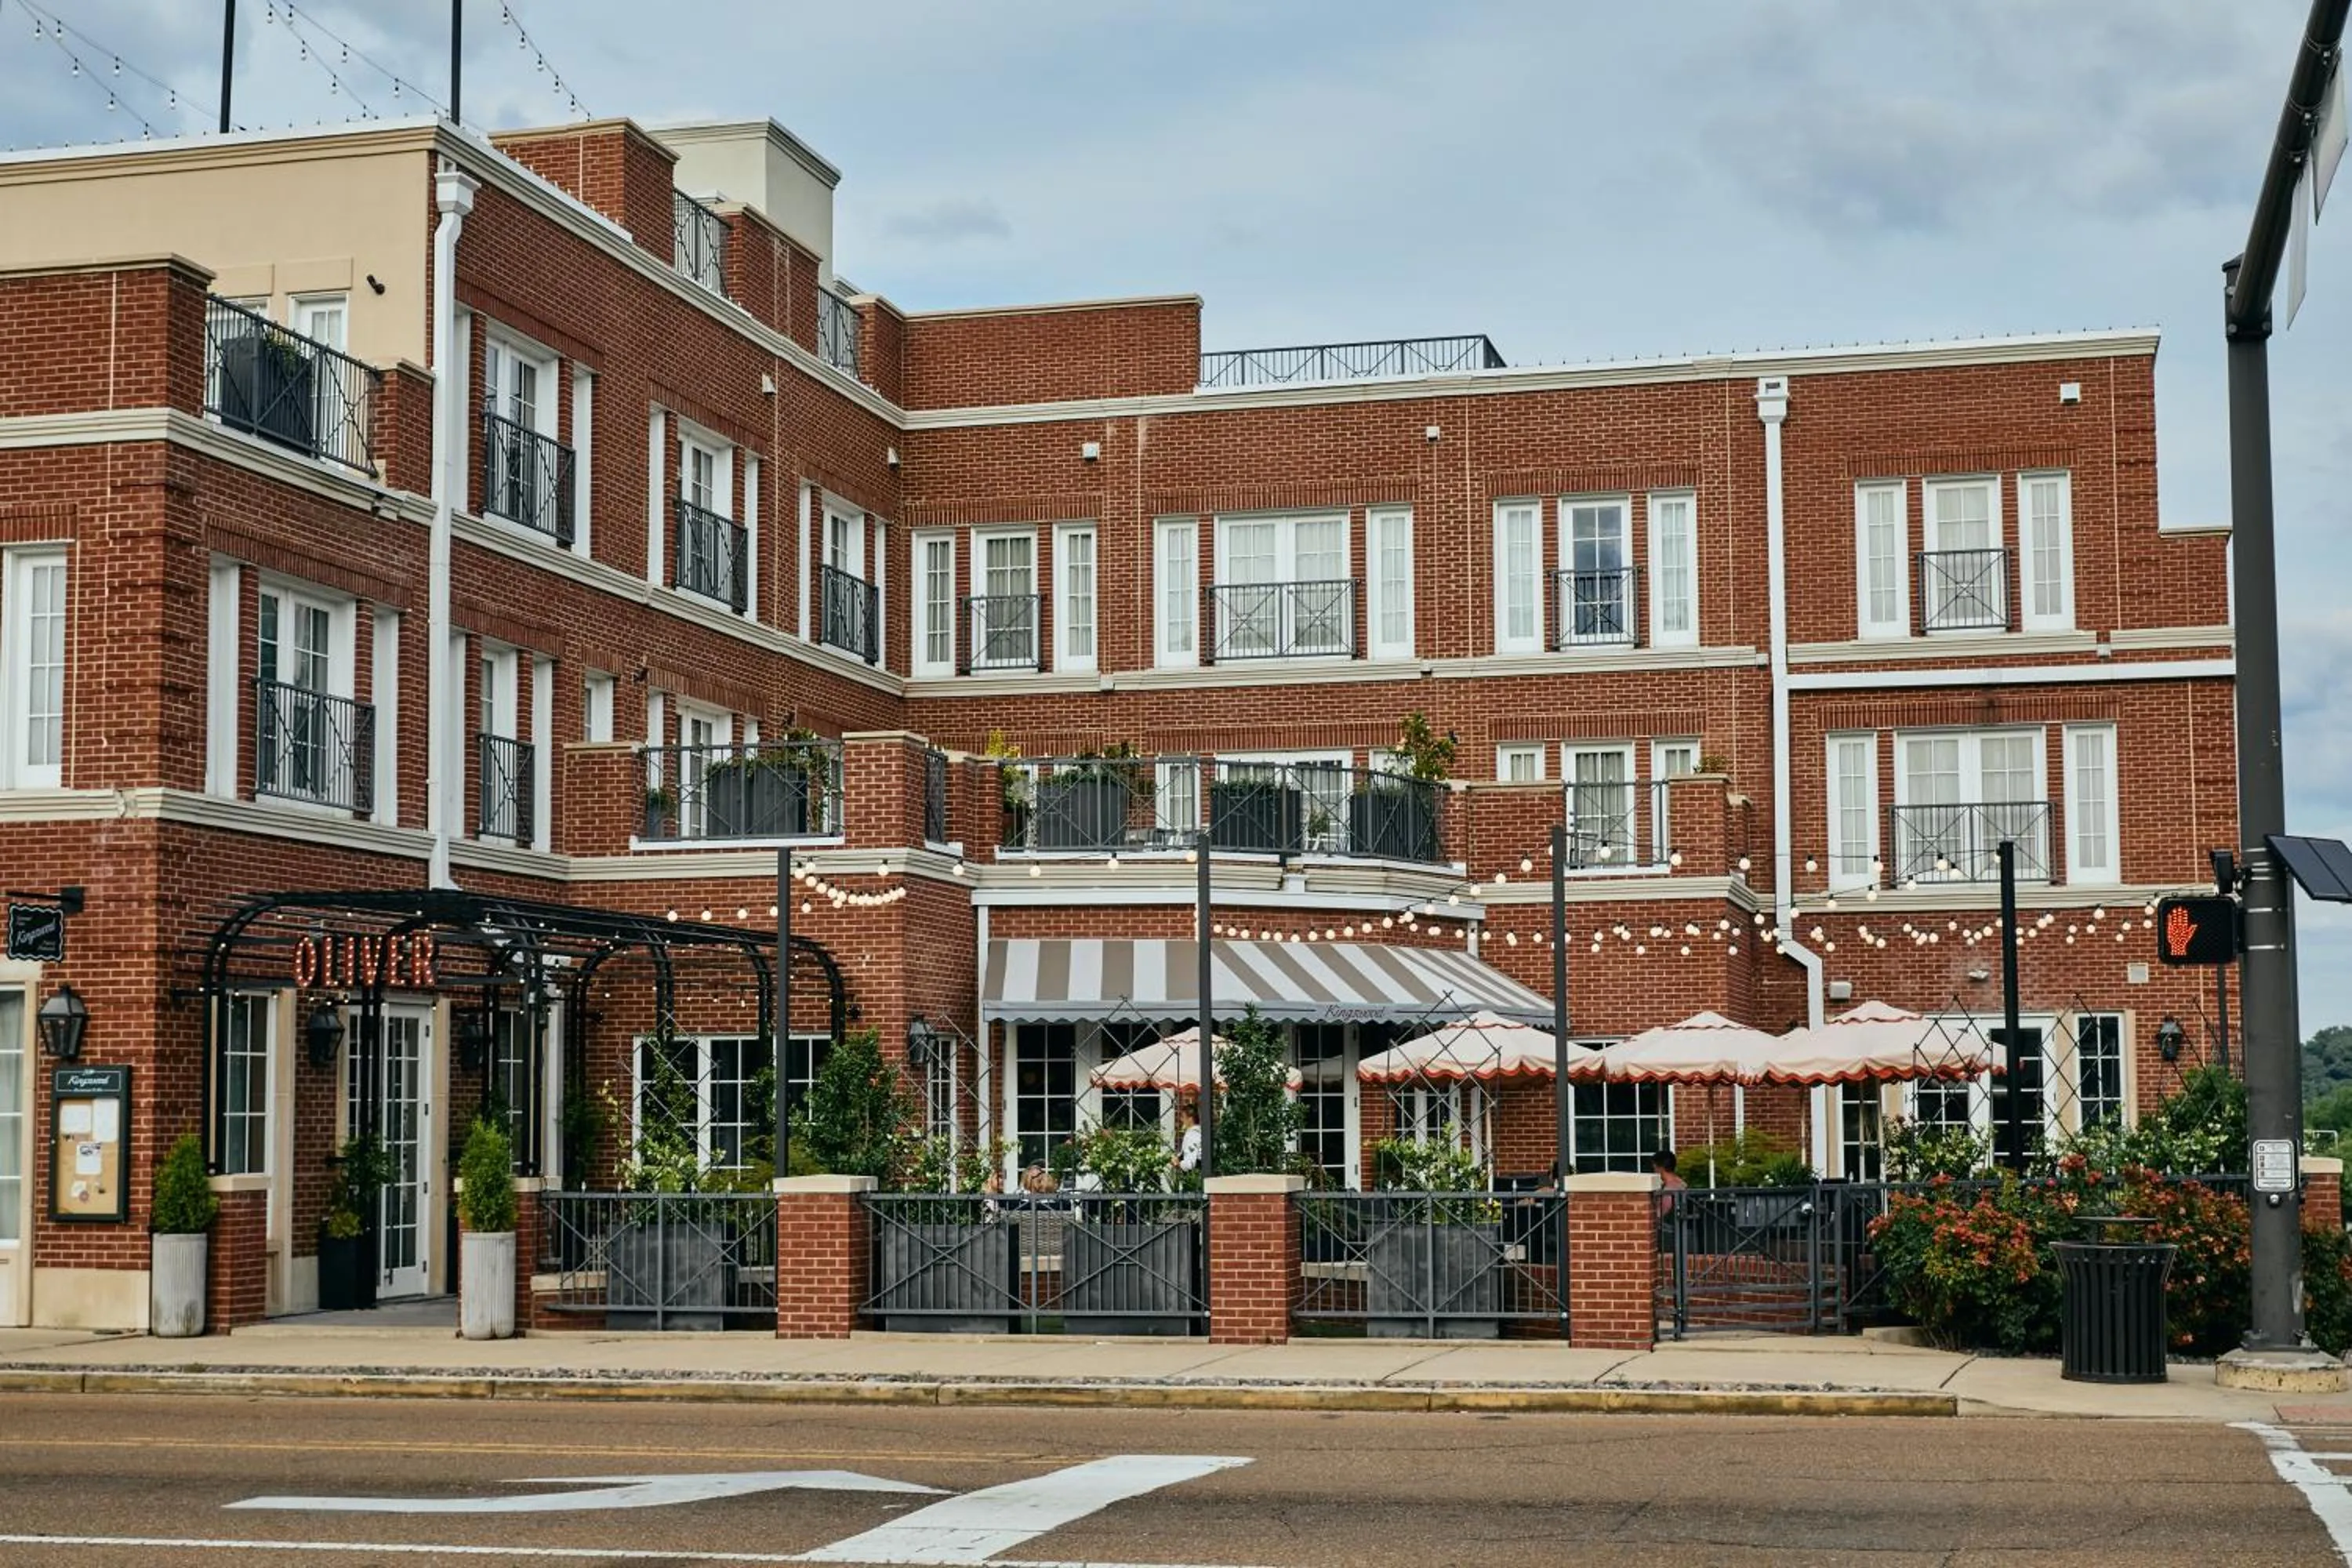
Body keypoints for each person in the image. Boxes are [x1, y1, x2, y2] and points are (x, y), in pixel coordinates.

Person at [1652, 1148, 1686, 1219]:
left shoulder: (1669, 1190)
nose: (1654, 1171)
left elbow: (1661, 1213)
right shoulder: (1682, 1183)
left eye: (1654, 1167)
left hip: (1668, 1228)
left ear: (1660, 1168)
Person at [1174, 1105, 1203, 1174]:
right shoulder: (1199, 1133)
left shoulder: (1192, 1135)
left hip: (1193, 1179)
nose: (1181, 1120)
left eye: (1183, 1117)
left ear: (1190, 1119)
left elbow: (1190, 1164)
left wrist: (1178, 1164)